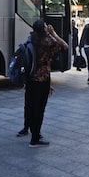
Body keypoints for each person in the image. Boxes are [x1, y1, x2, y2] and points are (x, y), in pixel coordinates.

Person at [25, 19, 68, 147]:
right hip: (42, 78)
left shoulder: (31, 39)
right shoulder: (48, 41)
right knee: (39, 109)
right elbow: (65, 46)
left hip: (30, 78)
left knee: (32, 107)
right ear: (44, 29)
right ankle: (35, 139)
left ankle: (34, 133)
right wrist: (53, 33)